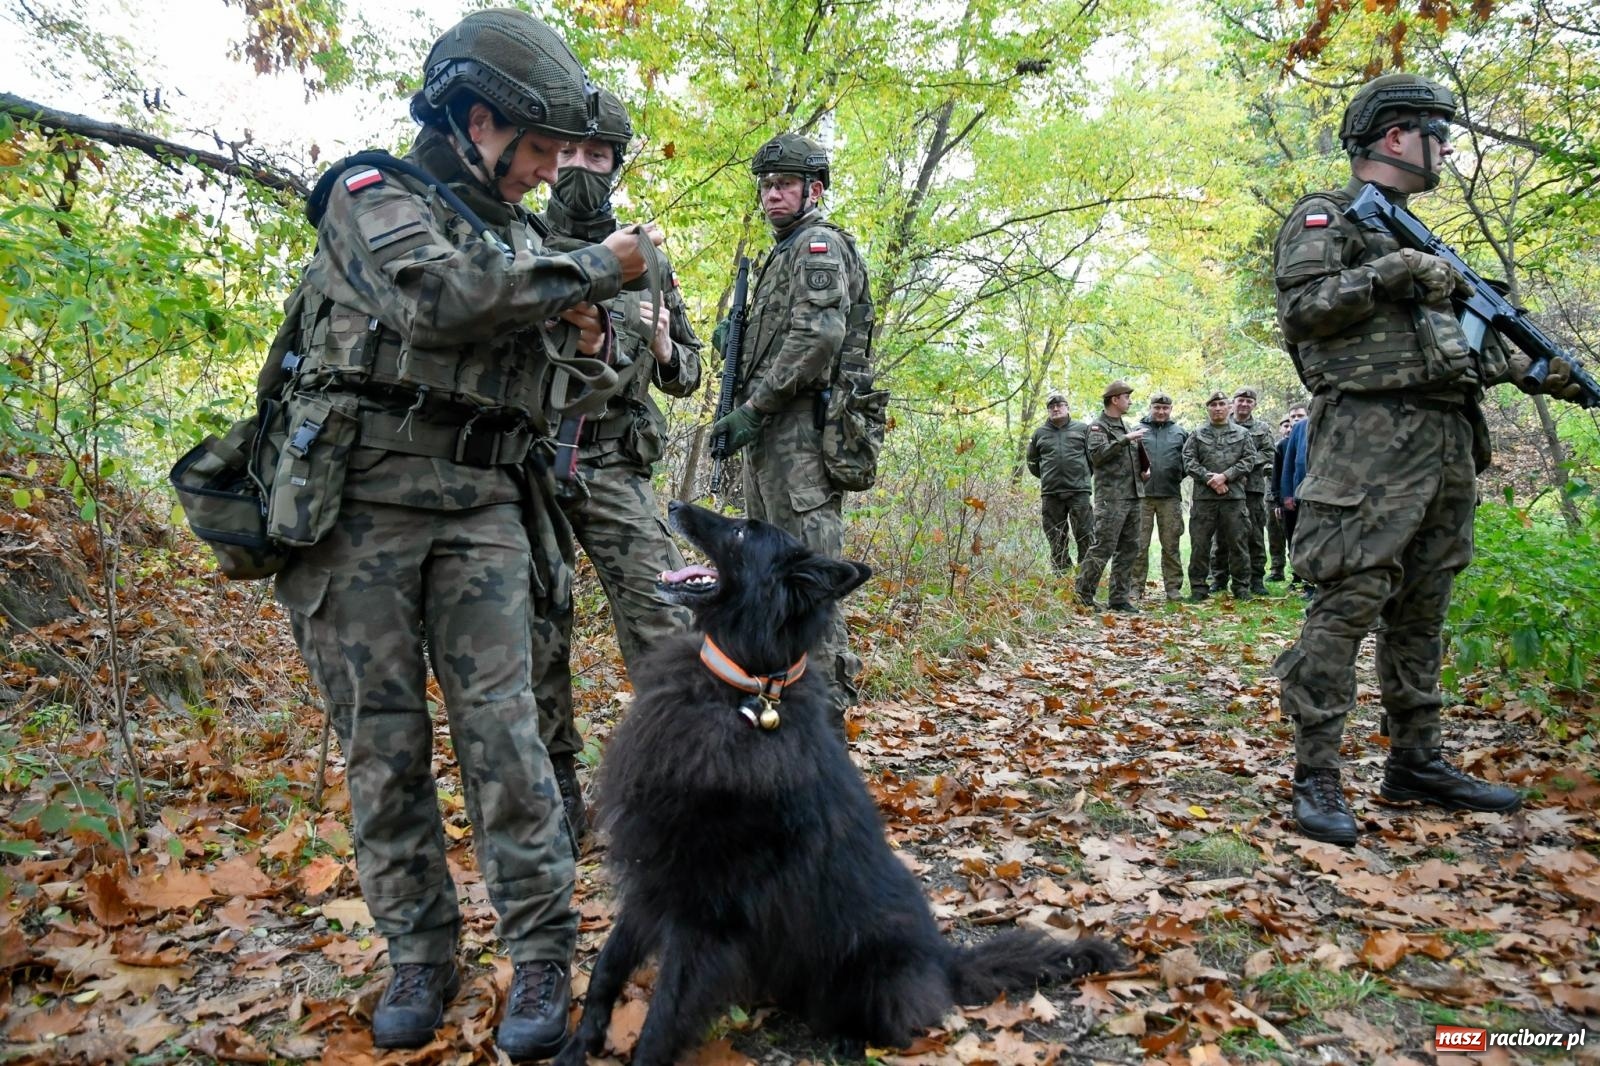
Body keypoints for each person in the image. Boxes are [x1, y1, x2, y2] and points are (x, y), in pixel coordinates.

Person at [270, 10, 664, 1055]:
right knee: (382, 747)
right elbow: (436, 300)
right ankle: (419, 952)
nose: (546, 173)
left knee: (511, 738)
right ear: (477, 119)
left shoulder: (529, 239)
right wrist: (592, 277)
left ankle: (540, 956)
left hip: (485, 506)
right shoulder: (371, 195)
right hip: (358, 515)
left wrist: (588, 334)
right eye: (536, 149)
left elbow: (584, 382)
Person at [1270, 72, 1577, 846]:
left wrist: (1551, 372)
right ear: (1397, 136)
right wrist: (1392, 271)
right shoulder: (1329, 217)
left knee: (1424, 609)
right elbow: (1303, 313)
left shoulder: (1427, 241)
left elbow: (1465, 352)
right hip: (1365, 439)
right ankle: (1317, 775)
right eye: (1438, 134)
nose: (1446, 149)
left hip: (1446, 441)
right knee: (1348, 601)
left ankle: (1416, 762)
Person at [531, 87, 703, 838]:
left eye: (595, 156)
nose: (579, 167)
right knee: (537, 629)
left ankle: (682, 783)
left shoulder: (647, 256)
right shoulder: (516, 239)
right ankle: (556, 787)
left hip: (614, 468)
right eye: (567, 152)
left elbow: (689, 372)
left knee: (667, 624)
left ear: (614, 165)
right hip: (527, 467)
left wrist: (660, 343)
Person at [710, 132, 874, 727]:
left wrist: (754, 408)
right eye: (766, 187)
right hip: (774, 438)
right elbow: (785, 337)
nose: (771, 196)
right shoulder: (781, 255)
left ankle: (824, 719)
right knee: (769, 576)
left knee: (807, 576)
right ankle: (782, 705)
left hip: (801, 435)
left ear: (815, 190)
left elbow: (818, 339)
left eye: (783, 185)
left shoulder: (818, 246)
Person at [1073, 380, 1149, 611]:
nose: (1130, 401)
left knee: (1129, 549)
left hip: (1133, 496)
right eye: (1127, 397)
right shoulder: (1098, 427)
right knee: (1103, 547)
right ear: (1115, 400)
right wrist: (1125, 440)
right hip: (1111, 499)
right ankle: (1082, 596)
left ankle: (1119, 599)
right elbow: (1098, 456)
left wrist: (1144, 472)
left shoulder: (1125, 426)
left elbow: (1128, 460)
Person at [1182, 392, 1256, 602]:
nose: (1217, 408)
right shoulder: (1197, 434)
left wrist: (1225, 476)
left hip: (1234, 499)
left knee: (1238, 543)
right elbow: (1188, 461)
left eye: (1222, 404)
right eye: (1213, 405)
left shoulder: (1243, 434)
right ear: (1208, 409)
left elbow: (1249, 460)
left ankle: (1241, 587)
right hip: (1204, 500)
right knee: (1200, 544)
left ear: (1229, 407)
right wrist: (1210, 479)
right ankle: (1198, 588)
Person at [1210, 388, 1274, 595]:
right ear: (1233, 403)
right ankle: (1219, 577)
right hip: (1225, 489)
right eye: (1241, 400)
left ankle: (1256, 579)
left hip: (1252, 488)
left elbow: (1269, 452)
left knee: (1254, 534)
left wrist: (1243, 464)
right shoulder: (1220, 425)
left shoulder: (1262, 428)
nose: (1244, 404)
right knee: (1221, 535)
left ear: (1254, 404)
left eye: (1249, 401)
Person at [1025, 391, 1094, 573]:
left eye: (1059, 405)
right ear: (1048, 410)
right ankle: (1061, 574)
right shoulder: (1039, 433)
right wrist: (1048, 476)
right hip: (1051, 493)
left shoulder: (1083, 429)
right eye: (1051, 407)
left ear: (1067, 408)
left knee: (1085, 533)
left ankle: (1086, 574)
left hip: (1079, 492)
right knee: (1055, 535)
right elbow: (1032, 462)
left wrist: (1082, 476)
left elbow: (1093, 458)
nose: (1056, 409)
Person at [1134, 392, 1188, 603]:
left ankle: (1173, 589)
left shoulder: (1180, 432)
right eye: (1157, 407)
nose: (1161, 411)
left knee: (1171, 544)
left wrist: (1176, 476)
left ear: (1170, 410)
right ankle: (1134, 587)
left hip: (1170, 496)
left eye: (1165, 408)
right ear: (1151, 408)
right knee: (1139, 544)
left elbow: (1188, 461)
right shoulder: (1137, 430)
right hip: (1142, 497)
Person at [1271, 405, 1309, 586]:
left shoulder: (1316, 432)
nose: (1296, 419)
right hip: (1294, 499)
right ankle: (1298, 576)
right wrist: (1282, 498)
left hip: (1316, 496)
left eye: (1300, 415)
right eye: (1292, 416)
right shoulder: (1285, 443)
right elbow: (1283, 472)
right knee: (1293, 537)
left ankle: (1312, 578)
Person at [1265, 414, 1292, 582]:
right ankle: (1277, 569)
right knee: (1275, 535)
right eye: (1285, 426)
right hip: (1272, 497)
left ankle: (1298, 571)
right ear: (1280, 429)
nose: (1288, 429)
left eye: (1291, 425)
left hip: (1294, 497)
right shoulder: (1276, 447)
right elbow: (1266, 466)